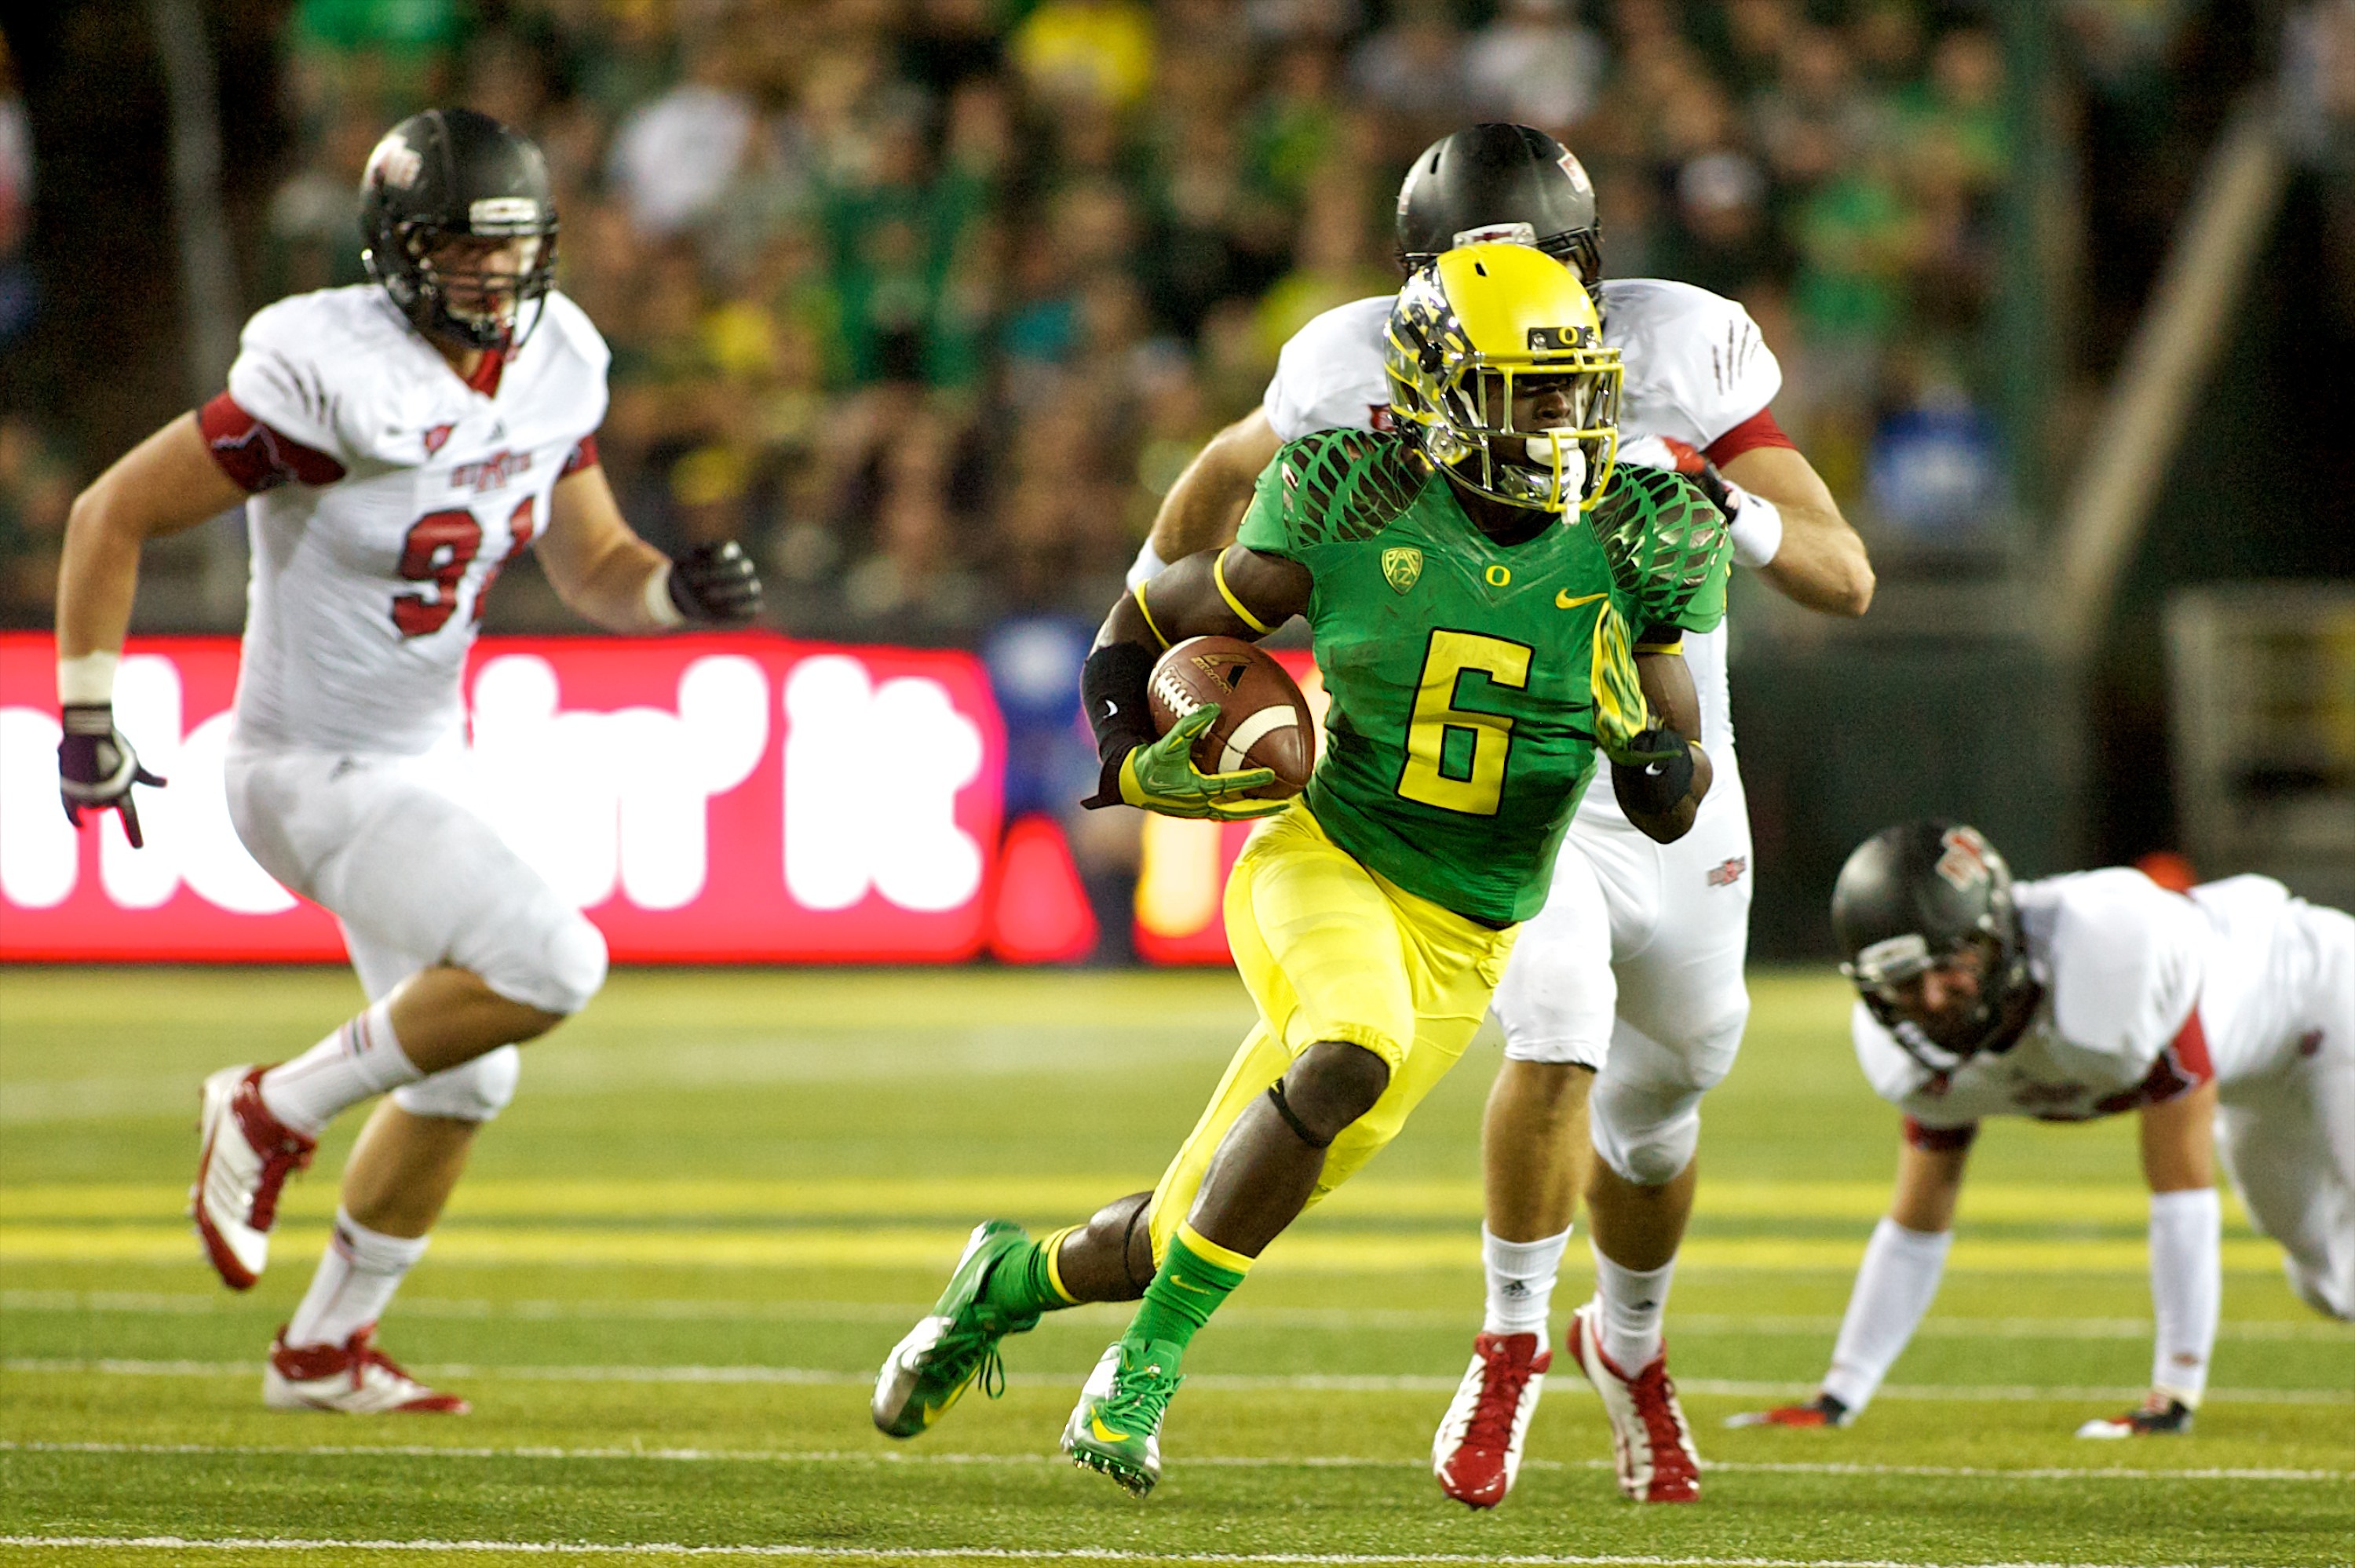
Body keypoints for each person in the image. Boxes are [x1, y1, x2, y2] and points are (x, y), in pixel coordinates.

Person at [872, 243, 1732, 1497]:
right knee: (1346, 1051)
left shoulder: (1637, 532)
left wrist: (1660, 765)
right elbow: (1154, 612)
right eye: (1528, 391)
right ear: (1442, 389)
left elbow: (1671, 783)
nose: (1560, 419)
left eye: (1574, 391)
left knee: (1190, 1222)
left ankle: (1005, 1281)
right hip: (1326, 856)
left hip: (1469, 927)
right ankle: (1142, 1373)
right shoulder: (1354, 496)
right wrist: (1124, 754)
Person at [1133, 123, 1875, 1508]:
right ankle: (1511, 1345)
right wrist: (1150, 644)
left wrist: (1719, 503)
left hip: (1672, 771)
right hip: (1503, 799)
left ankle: (1629, 1346)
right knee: (1558, 1032)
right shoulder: (1354, 358)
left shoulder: (1686, 348)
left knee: (1663, 1110)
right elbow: (1211, 493)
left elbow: (1844, 575)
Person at [53, 108, 762, 1413]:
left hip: (429, 754)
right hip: (304, 767)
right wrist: (88, 712)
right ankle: (270, 1108)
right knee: (555, 961)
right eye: (461, 248)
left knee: (471, 1068)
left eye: (513, 249)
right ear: (396, 249)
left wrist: (675, 595)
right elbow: (114, 511)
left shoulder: (556, 365)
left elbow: (597, 561)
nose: (494, 278)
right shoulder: (332, 374)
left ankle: (323, 1347)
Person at [1731, 822, 2352, 1438]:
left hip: (2323, 993)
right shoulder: (1921, 1059)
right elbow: (1918, 1219)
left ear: (1995, 936)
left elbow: (2181, 1190)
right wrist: (1839, 1395)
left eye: (1949, 965)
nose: (1934, 998)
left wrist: (2173, 1395)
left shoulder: (2112, 958)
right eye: (1902, 984)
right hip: (2250, 1079)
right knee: (2333, 1282)